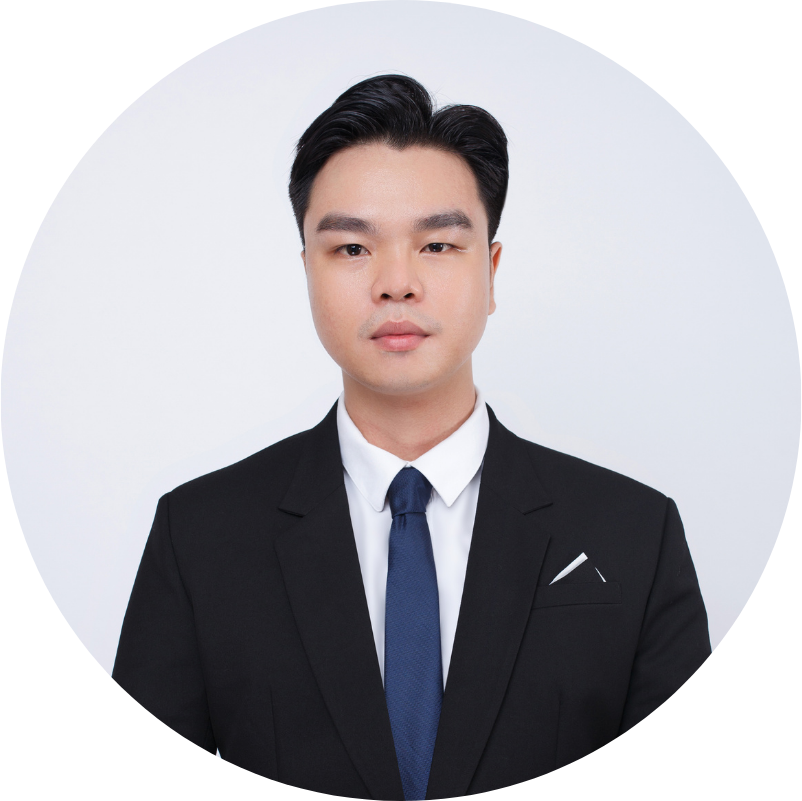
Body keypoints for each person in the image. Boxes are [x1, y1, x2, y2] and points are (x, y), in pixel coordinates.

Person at [112, 74, 711, 800]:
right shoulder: (200, 536)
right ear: (307, 271)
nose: (396, 282)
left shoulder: (633, 537)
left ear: (490, 271)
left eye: (436, 244)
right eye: (352, 250)